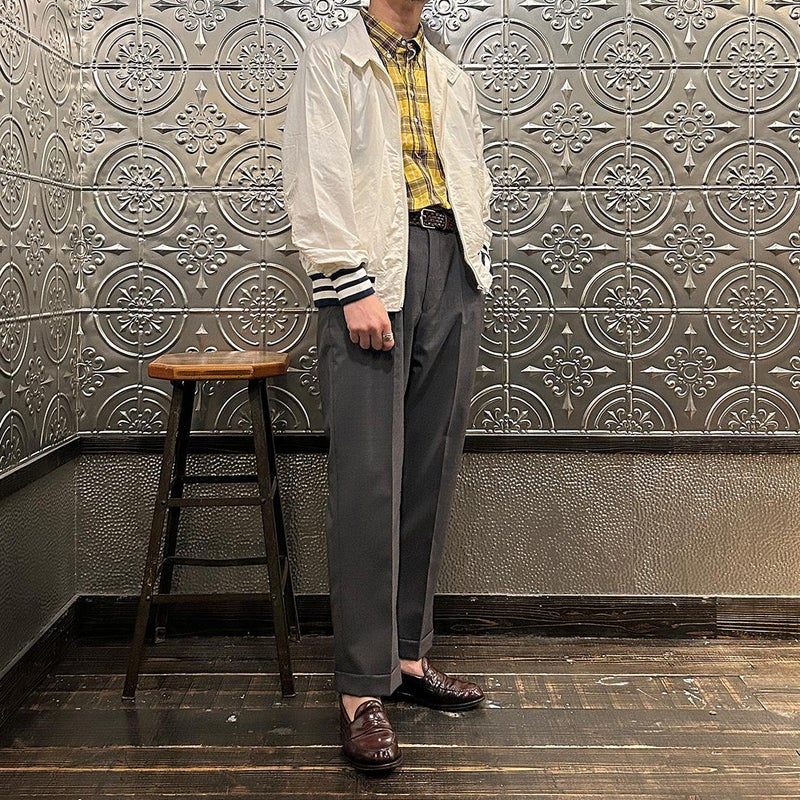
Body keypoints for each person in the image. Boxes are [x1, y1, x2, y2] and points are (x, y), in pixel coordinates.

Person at [282, 0, 494, 773]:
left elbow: (469, 174)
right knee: (369, 482)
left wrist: (473, 266)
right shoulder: (330, 59)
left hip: (452, 267)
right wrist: (349, 282)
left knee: (429, 473)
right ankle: (360, 689)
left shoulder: (449, 71)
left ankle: (408, 655)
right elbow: (316, 176)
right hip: (373, 273)